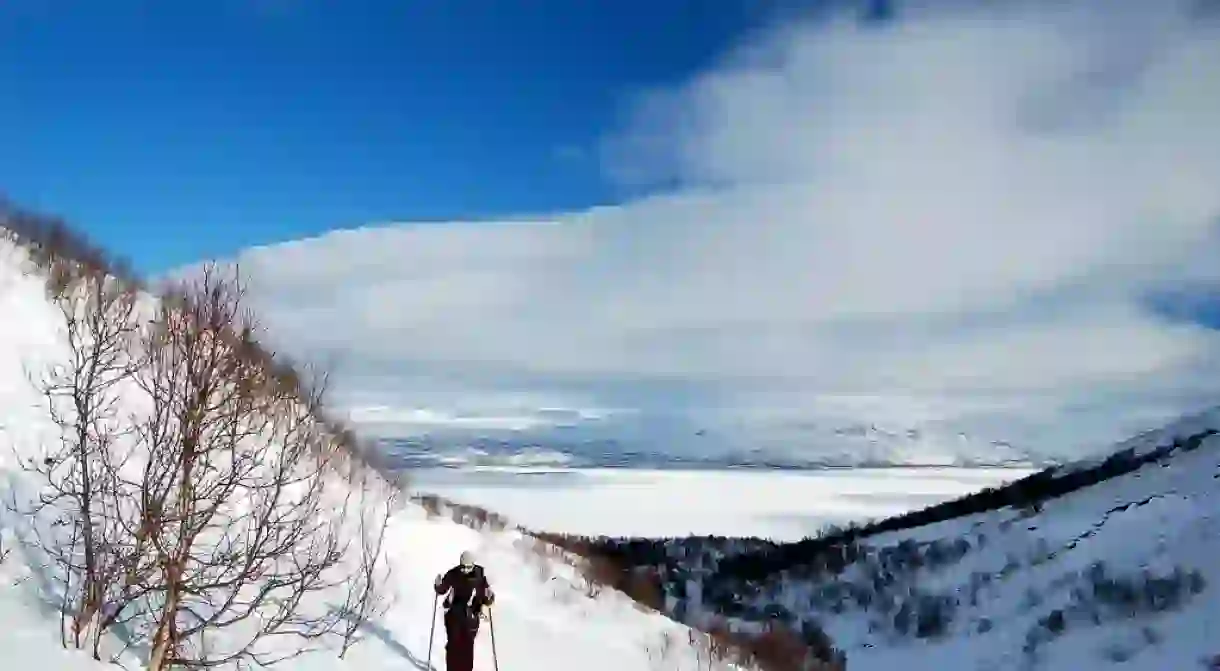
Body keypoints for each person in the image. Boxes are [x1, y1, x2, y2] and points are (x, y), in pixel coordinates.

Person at [434, 551, 495, 671]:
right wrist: (438, 584)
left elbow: (485, 596)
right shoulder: (454, 573)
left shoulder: (480, 575)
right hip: (454, 616)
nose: (464, 570)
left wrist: (489, 598)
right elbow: (442, 589)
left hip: (471, 617)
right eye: (462, 567)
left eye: (467, 567)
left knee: (467, 647)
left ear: (472, 565)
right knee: (453, 645)